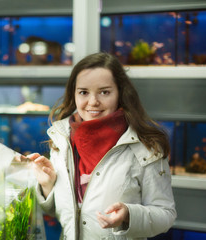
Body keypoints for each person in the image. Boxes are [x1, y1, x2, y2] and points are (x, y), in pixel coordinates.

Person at [27, 52, 177, 239]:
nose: (92, 102)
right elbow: (62, 214)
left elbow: (166, 214)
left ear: (120, 93)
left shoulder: (146, 146)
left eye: (104, 92)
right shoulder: (61, 139)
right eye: (83, 92)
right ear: (74, 94)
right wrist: (47, 186)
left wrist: (129, 215)